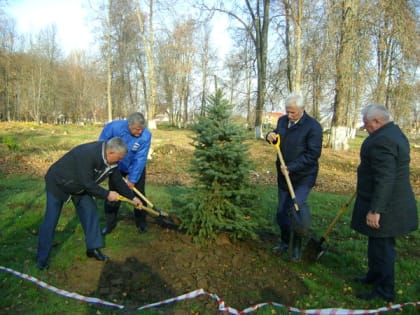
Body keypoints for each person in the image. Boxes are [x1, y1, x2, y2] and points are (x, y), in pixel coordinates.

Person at [36, 137, 141, 270]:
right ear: (110, 153)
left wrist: (132, 198)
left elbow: (118, 181)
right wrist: (107, 195)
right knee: (51, 220)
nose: (120, 161)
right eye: (119, 158)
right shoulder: (87, 154)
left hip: (80, 187)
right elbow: (88, 183)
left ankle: (93, 249)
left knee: (90, 211)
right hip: (58, 182)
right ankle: (41, 260)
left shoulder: (112, 162)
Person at [351, 104, 418, 302]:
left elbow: (385, 177)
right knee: (376, 242)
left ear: (377, 121)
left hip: (388, 206)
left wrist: (376, 210)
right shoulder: (394, 133)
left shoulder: (383, 141)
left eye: (367, 124)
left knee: (383, 247)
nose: (365, 128)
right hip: (391, 200)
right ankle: (373, 276)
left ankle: (385, 290)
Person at [266, 93, 323, 262]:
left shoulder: (313, 127)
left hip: (303, 176)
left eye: (293, 113)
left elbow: (313, 154)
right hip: (284, 176)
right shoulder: (283, 121)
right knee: (282, 211)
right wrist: (270, 135)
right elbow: (276, 136)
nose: (289, 116)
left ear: (302, 110)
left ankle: (296, 249)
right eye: (287, 111)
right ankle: (284, 243)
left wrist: (292, 167)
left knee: (295, 209)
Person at [99, 112, 152, 234]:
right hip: (115, 166)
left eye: (141, 129)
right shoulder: (113, 128)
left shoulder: (146, 136)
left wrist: (132, 179)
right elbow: (101, 145)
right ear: (129, 125)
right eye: (137, 129)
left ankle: (141, 223)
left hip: (135, 167)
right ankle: (110, 224)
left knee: (139, 195)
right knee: (113, 194)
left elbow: (141, 158)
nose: (140, 132)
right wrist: (107, 164)